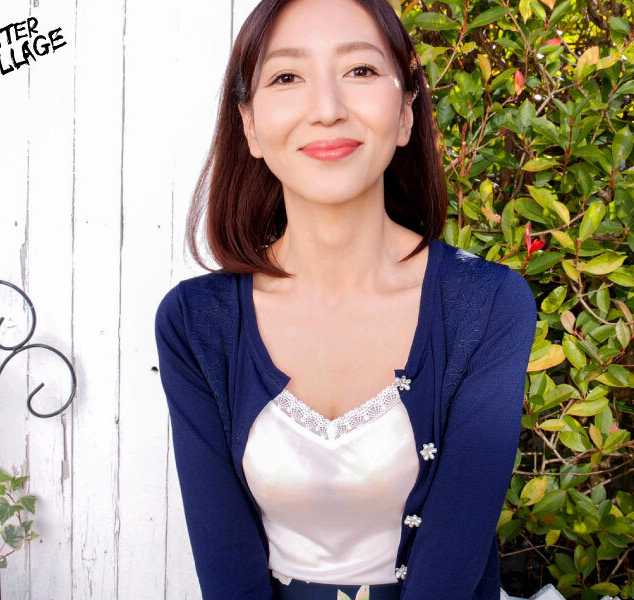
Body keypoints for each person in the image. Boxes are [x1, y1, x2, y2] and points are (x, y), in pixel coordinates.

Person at [154, 0, 537, 598]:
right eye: (287, 77)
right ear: (249, 125)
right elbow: (226, 563)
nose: (327, 109)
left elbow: (452, 560)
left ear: (406, 111)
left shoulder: (487, 305)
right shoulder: (195, 323)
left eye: (360, 70)